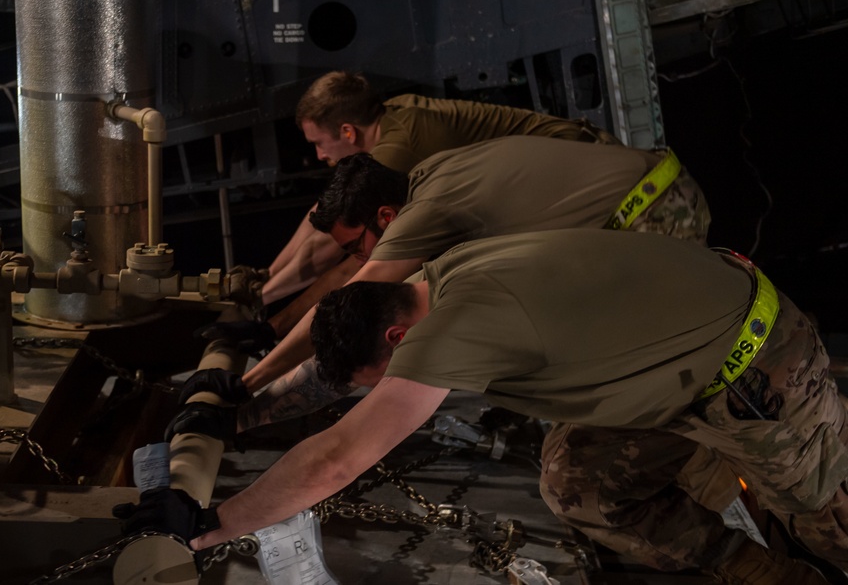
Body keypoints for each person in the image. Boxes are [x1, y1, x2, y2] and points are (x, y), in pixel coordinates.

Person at [117, 230, 845, 584]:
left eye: (383, 376)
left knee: (829, 513)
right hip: (669, 369)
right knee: (576, 479)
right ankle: (770, 574)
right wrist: (235, 412)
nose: (385, 389)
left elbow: (339, 454)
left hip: (758, 364)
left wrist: (214, 523)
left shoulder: (454, 328)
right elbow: (334, 384)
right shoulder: (436, 282)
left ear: (399, 338)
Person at [243, 135, 710, 392]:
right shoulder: (427, 174)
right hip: (658, 180)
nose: (358, 258)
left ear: (386, 216)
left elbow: (351, 296)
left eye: (355, 245)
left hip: (657, 213)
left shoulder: (425, 212)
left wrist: (254, 379)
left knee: (625, 365)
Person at [259, 70, 621, 310]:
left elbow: (327, 246)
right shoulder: (386, 120)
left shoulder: (396, 151)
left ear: (348, 132)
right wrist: (267, 275)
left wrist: (261, 300)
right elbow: (322, 214)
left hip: (584, 168)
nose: (320, 155)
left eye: (319, 143)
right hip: (560, 173)